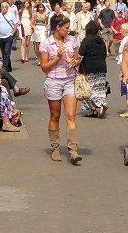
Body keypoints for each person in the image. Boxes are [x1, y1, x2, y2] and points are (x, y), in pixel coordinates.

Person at [39, 14, 83, 163]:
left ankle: (73, 150)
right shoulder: (46, 44)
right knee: (55, 116)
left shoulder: (71, 40)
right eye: (66, 28)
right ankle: (55, 148)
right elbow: (44, 68)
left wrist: (75, 62)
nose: (68, 30)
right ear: (58, 27)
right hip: (54, 81)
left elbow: (77, 59)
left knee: (70, 116)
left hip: (70, 80)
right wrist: (57, 58)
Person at [78, 22, 108, 118]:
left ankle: (100, 105)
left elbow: (80, 55)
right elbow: (104, 54)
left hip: (88, 68)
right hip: (101, 67)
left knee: (88, 90)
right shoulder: (101, 41)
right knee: (99, 89)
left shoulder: (86, 41)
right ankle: (93, 111)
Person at [0, 3, 19, 73]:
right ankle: (9, 67)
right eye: (3, 7)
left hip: (9, 36)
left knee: (7, 51)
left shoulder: (11, 15)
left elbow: (16, 24)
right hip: (1, 37)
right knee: (4, 52)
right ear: (1, 8)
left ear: (7, 8)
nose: (4, 9)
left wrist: (12, 33)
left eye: (5, 7)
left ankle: (5, 67)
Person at [116, 22, 128, 118]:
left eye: (121, 29)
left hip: (127, 66)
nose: (120, 31)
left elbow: (121, 54)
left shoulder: (125, 40)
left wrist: (121, 69)